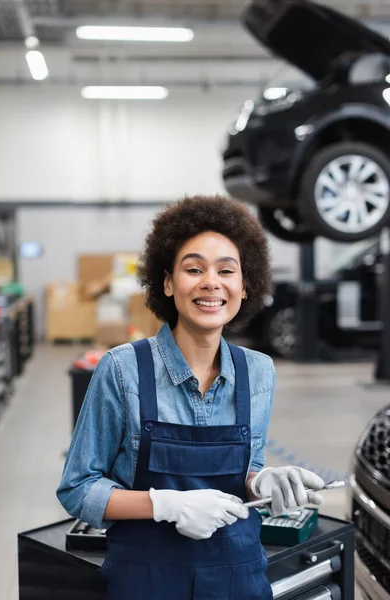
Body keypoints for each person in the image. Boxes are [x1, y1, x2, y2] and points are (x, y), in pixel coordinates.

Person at [57, 194, 324, 600]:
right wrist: (166, 505)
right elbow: (78, 488)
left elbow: (244, 473)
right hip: (146, 581)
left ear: (244, 284)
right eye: (193, 268)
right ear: (167, 282)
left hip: (239, 577)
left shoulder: (258, 371)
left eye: (226, 271)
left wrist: (264, 482)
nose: (210, 282)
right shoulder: (122, 369)